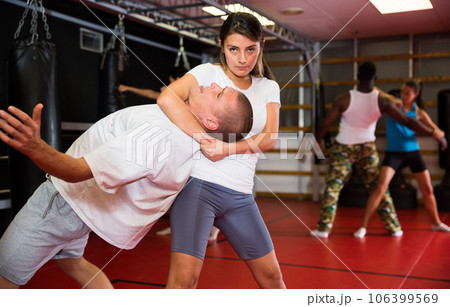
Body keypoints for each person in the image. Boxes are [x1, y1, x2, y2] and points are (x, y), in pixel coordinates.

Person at [0, 83, 253, 289]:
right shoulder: (188, 135)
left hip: (64, 202)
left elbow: (75, 172)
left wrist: (36, 148)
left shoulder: (157, 137)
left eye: (218, 94)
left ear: (209, 122)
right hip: (83, 211)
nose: (214, 84)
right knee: (74, 264)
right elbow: (170, 95)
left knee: (3, 274)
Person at [157, 12, 285, 289]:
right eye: (233, 49)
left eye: (251, 49)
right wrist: (205, 139)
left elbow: (270, 138)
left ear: (261, 46)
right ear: (221, 46)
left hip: (240, 196)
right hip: (199, 188)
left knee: (273, 278)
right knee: (183, 282)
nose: (242, 59)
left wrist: (225, 149)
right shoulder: (207, 74)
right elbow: (167, 98)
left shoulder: (269, 88)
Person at [311, 62, 447, 239]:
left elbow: (325, 124)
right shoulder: (382, 100)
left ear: (357, 77)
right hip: (367, 147)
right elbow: (408, 121)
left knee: (333, 187)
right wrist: (435, 134)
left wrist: (317, 144)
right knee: (378, 188)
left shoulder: (343, 98)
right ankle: (394, 227)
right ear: (375, 79)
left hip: (343, 147)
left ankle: (323, 229)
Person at [354, 79, 450, 238]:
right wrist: (368, 84)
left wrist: (441, 135)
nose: (403, 96)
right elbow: (379, 92)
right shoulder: (394, 104)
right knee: (381, 187)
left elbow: (435, 129)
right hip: (394, 153)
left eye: (407, 93)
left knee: (428, 190)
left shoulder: (419, 112)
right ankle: (363, 227)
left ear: (415, 95)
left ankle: (436, 223)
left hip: (413, 152)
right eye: (402, 92)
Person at [118, 66, 188, 100]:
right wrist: (128, 88)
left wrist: (167, 94)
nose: (169, 84)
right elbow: (151, 94)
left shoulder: (188, 95)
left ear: (178, 79)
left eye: (170, 81)